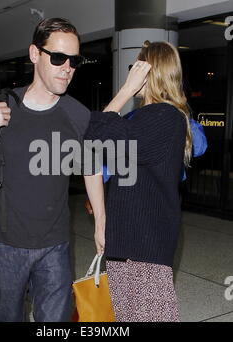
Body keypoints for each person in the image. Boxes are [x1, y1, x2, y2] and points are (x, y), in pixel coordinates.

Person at [0, 18, 91, 322]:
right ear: (35, 54)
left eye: (74, 60)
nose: (68, 67)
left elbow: (92, 164)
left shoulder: (76, 113)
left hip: (56, 245)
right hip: (5, 246)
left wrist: (101, 222)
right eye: (59, 57)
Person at [84, 41, 192, 322]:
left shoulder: (165, 117)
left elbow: (93, 137)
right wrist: (102, 224)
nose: (131, 73)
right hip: (131, 246)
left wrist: (125, 90)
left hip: (143, 251)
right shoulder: (146, 118)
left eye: (136, 68)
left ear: (150, 73)